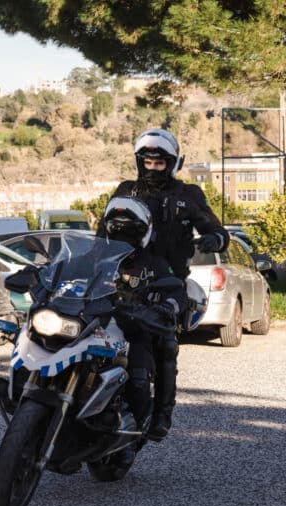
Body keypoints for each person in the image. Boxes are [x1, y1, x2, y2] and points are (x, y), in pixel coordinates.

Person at [97, 128, 230, 440]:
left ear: (173, 163)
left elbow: (219, 232)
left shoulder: (188, 195)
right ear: (138, 161)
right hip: (123, 278)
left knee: (165, 346)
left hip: (169, 282)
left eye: (160, 163)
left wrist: (213, 238)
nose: (153, 169)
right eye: (147, 163)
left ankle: (161, 415)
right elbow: (101, 234)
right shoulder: (125, 191)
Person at [100, 196, 184, 468]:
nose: (123, 235)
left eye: (130, 230)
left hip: (135, 329)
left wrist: (169, 306)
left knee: (144, 369)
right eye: (117, 228)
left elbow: (176, 290)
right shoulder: (94, 256)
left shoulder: (155, 263)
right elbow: (65, 271)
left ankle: (148, 422)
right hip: (96, 323)